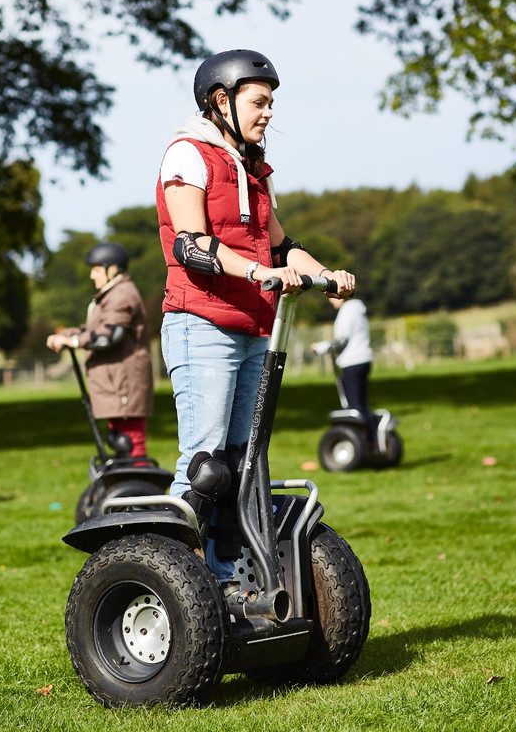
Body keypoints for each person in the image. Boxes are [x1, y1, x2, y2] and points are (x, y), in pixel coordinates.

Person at [156, 48, 355, 596]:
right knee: (206, 460)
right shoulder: (187, 155)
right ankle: (175, 578)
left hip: (251, 326)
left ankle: (226, 576)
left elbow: (282, 243)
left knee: (245, 463)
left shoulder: (253, 170)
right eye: (259, 102)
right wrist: (258, 272)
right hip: (201, 323)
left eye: (271, 103)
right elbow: (191, 245)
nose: (268, 113)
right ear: (222, 100)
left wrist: (325, 273)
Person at [46, 242, 154, 457]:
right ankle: (127, 488)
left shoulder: (121, 295)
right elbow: (95, 329)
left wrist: (74, 342)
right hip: (116, 382)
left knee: (131, 444)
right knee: (120, 443)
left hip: (124, 383)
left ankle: (141, 488)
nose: (92, 276)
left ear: (112, 269)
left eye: (96, 270)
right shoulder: (111, 295)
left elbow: (110, 335)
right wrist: (68, 334)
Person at [316, 297, 377, 450]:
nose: (330, 300)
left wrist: (322, 347)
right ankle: (371, 440)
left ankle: (366, 443)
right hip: (363, 359)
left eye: (330, 295)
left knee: (354, 406)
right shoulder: (358, 308)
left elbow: (341, 341)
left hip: (352, 361)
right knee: (362, 404)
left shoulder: (347, 310)